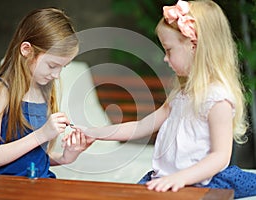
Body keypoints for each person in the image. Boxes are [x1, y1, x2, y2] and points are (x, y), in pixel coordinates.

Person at [74, 0, 256, 198]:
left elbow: (220, 157)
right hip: (169, 176)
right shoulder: (181, 95)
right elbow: (142, 126)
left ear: (193, 46)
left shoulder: (217, 99)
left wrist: (181, 178)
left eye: (169, 50)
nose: (165, 58)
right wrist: (95, 132)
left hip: (203, 179)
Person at [0, 7, 93, 178]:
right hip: (7, 186)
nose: (57, 75)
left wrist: (65, 158)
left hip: (40, 181)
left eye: (63, 67)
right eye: (52, 65)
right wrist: (42, 134)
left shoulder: (44, 91)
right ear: (26, 50)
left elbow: (33, 157)